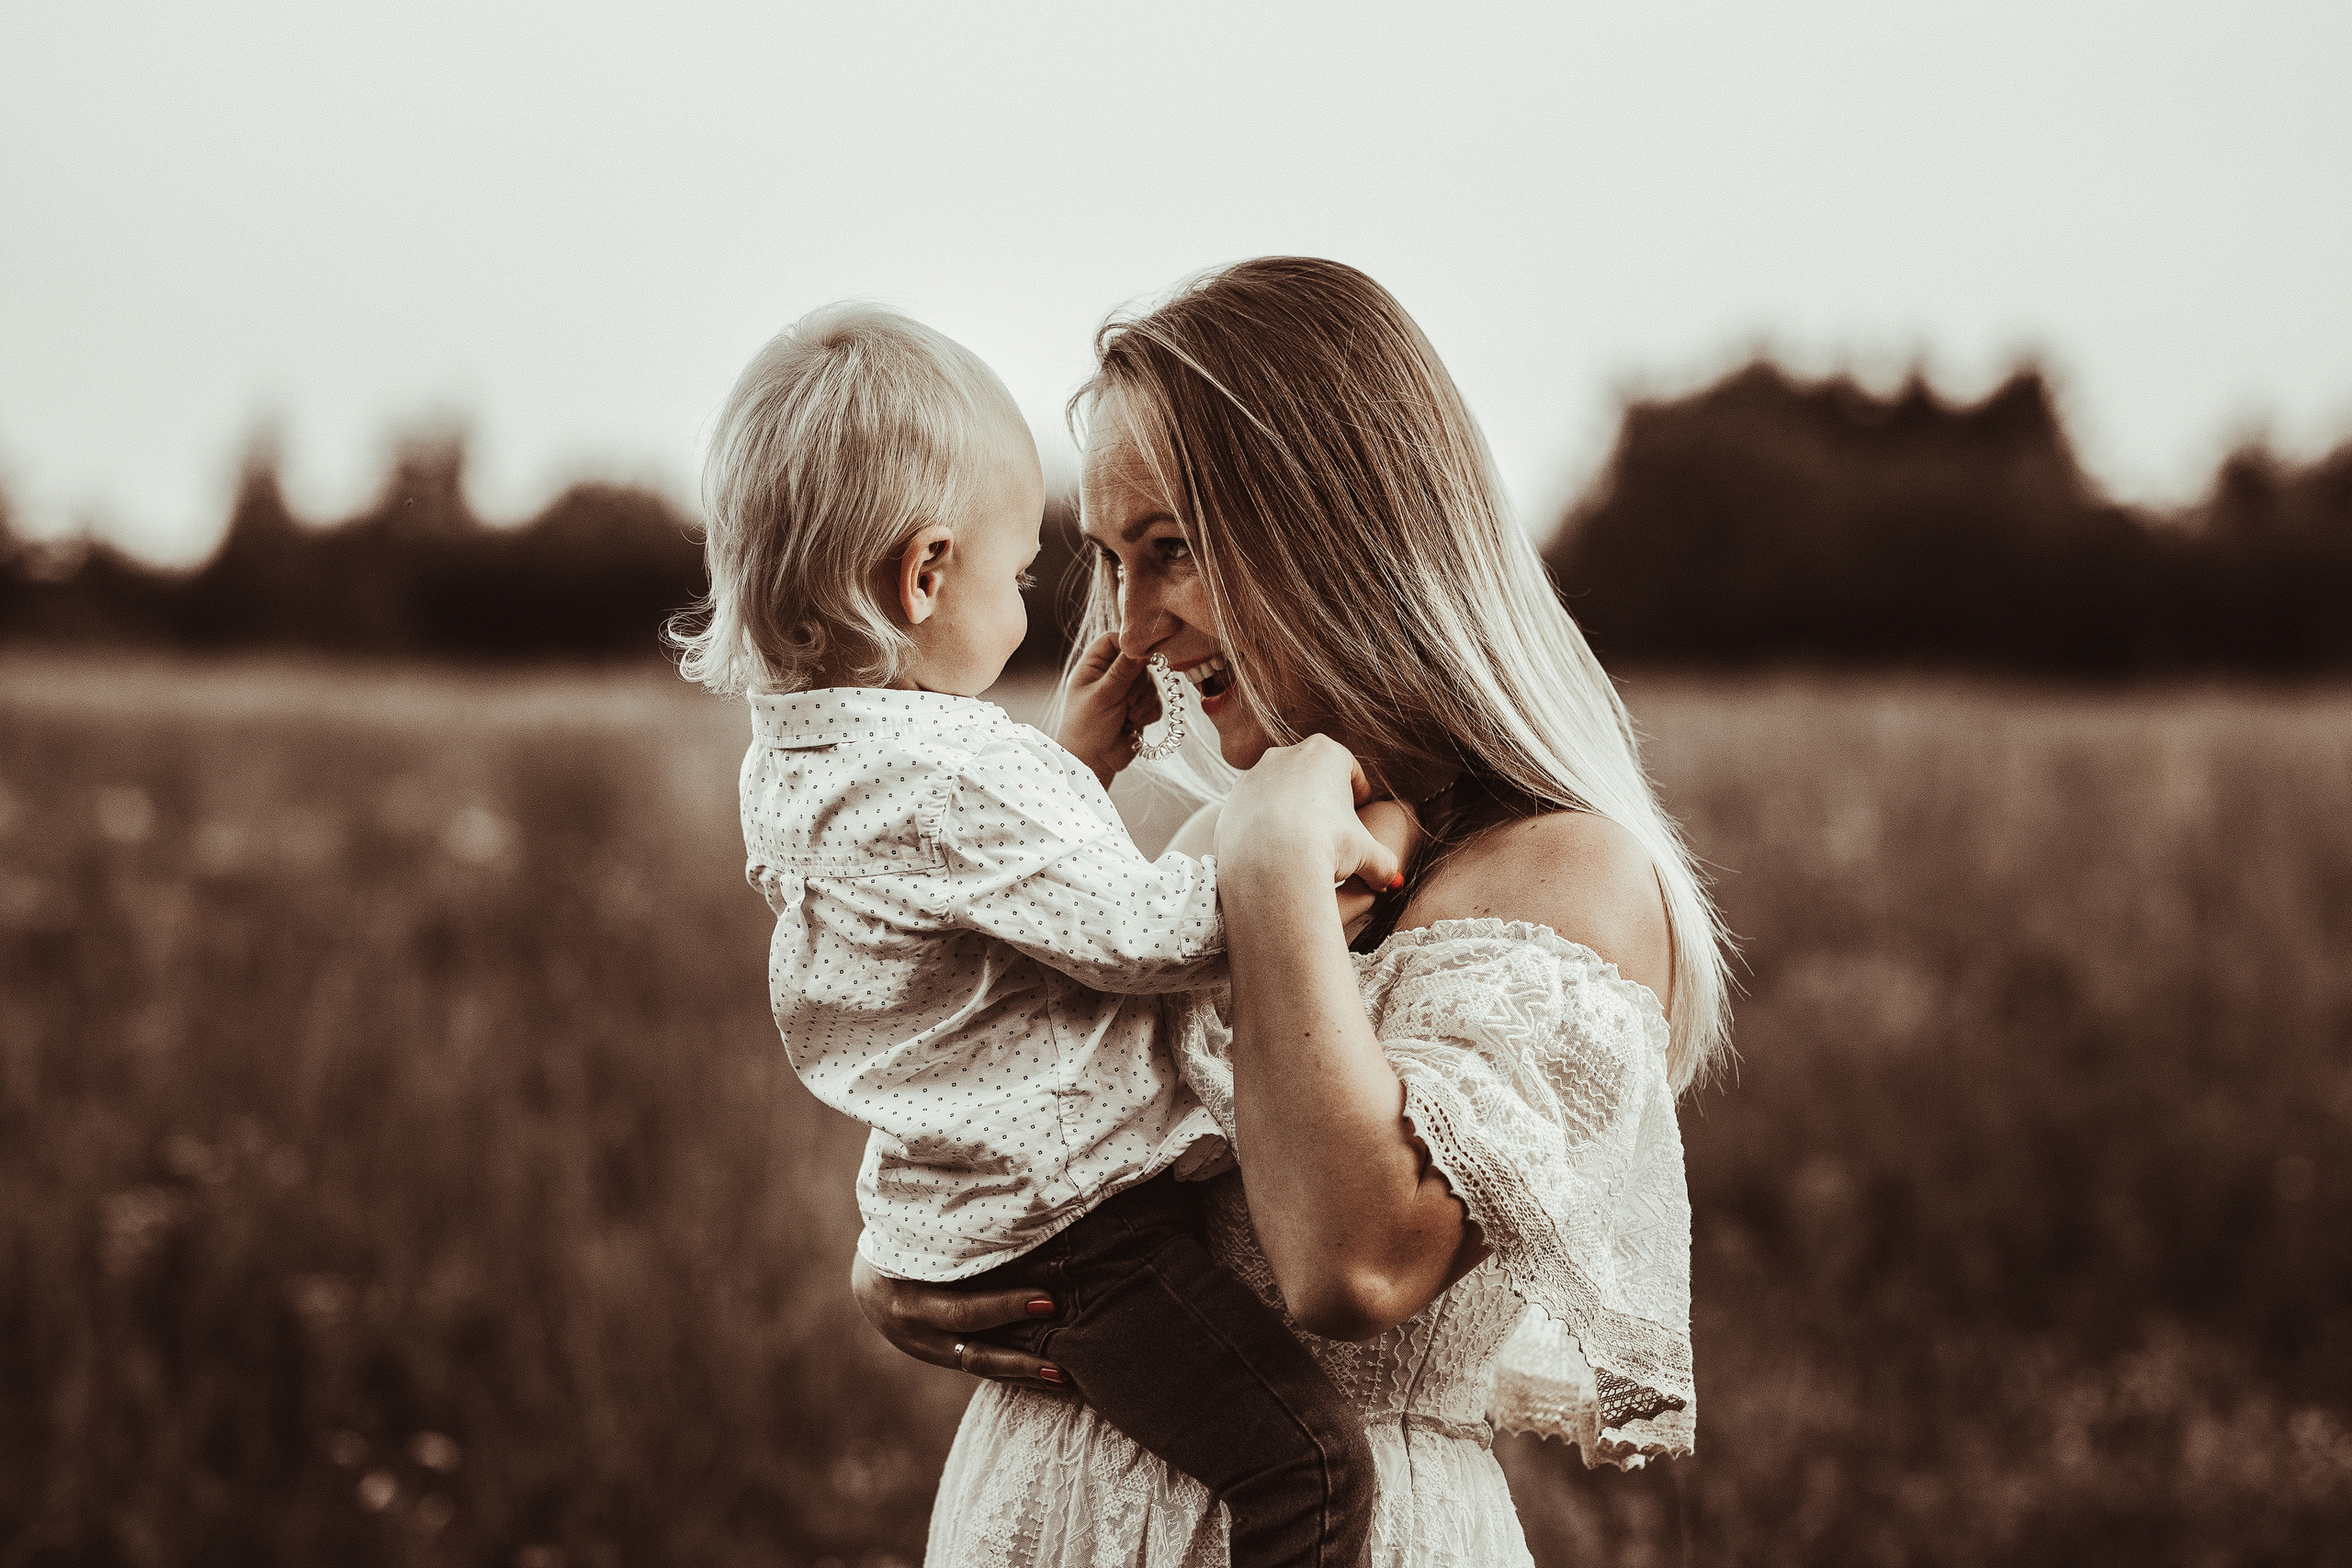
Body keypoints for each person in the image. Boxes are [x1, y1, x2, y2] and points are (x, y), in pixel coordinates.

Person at [855, 257, 1732, 1568]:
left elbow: (1350, 1264)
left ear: (1333, 533)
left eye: (1173, 552)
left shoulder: (1562, 875)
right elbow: (978, 1108)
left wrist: (1270, 857)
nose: (1136, 628)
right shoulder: (1180, 845)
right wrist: (907, 1266)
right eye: (1107, 559)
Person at [673, 301, 1409, 1568]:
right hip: (1080, 1227)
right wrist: (1313, 850)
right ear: (924, 574)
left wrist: (1063, 770)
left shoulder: (801, 758)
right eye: (1024, 577)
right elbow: (1144, 941)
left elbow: (953, 918)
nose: (1078, 615)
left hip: (963, 1215)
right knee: (1310, 1469)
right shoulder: (953, 774)